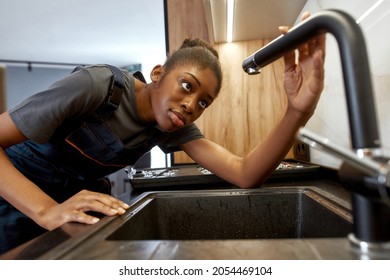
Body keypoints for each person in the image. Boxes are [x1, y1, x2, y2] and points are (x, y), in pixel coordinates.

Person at [0, 13, 325, 254]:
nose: (190, 105)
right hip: (13, 195)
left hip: (66, 206)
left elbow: (244, 174)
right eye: (187, 86)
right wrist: (45, 210)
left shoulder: (169, 127)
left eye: (202, 103)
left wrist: (299, 110)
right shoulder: (95, 86)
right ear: (158, 73)